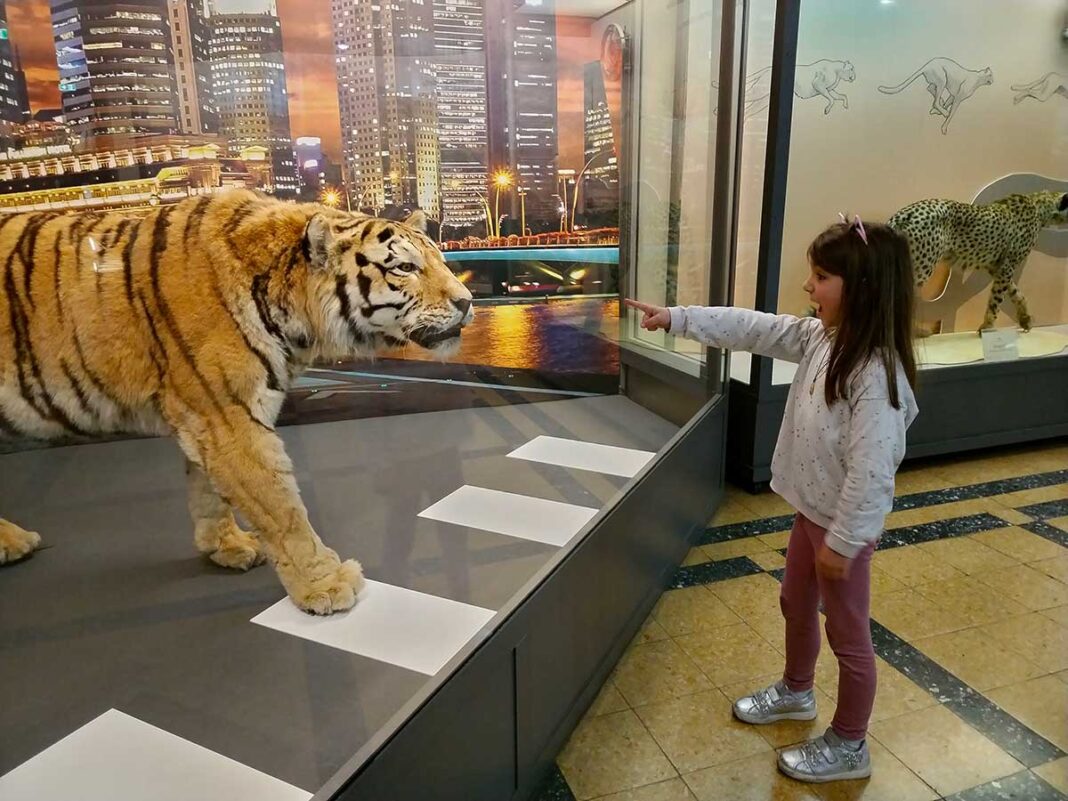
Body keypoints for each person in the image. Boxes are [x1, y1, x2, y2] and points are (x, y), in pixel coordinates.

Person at [624, 215, 918, 783]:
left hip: (840, 530)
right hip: (813, 514)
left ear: (861, 289)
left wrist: (846, 540)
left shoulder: (875, 374)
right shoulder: (821, 338)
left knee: (849, 634)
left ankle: (851, 744)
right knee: (794, 602)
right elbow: (753, 329)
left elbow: (874, 471)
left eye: (821, 276)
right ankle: (797, 691)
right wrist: (679, 318)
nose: (810, 287)